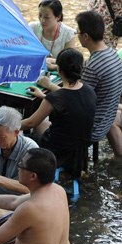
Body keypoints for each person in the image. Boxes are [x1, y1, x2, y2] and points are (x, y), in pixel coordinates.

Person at [39, 11, 122, 154]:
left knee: (40, 124)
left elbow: (76, 100)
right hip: (106, 120)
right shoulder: (112, 54)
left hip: (90, 129)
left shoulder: (92, 66)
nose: (76, 35)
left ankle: (57, 162)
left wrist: (48, 87)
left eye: (78, 32)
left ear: (85, 36)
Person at [24, 48, 97, 177]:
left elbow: (30, 122)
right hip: (79, 151)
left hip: (56, 150)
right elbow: (71, 98)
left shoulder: (55, 98)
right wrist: (44, 96)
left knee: (23, 140)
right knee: (43, 126)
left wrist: (9, 126)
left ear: (59, 70)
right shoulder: (89, 91)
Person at [29, 0, 77, 71]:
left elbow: (69, 63)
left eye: (46, 17)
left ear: (58, 17)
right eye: (40, 15)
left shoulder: (68, 34)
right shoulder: (32, 28)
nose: (42, 20)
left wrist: (53, 66)